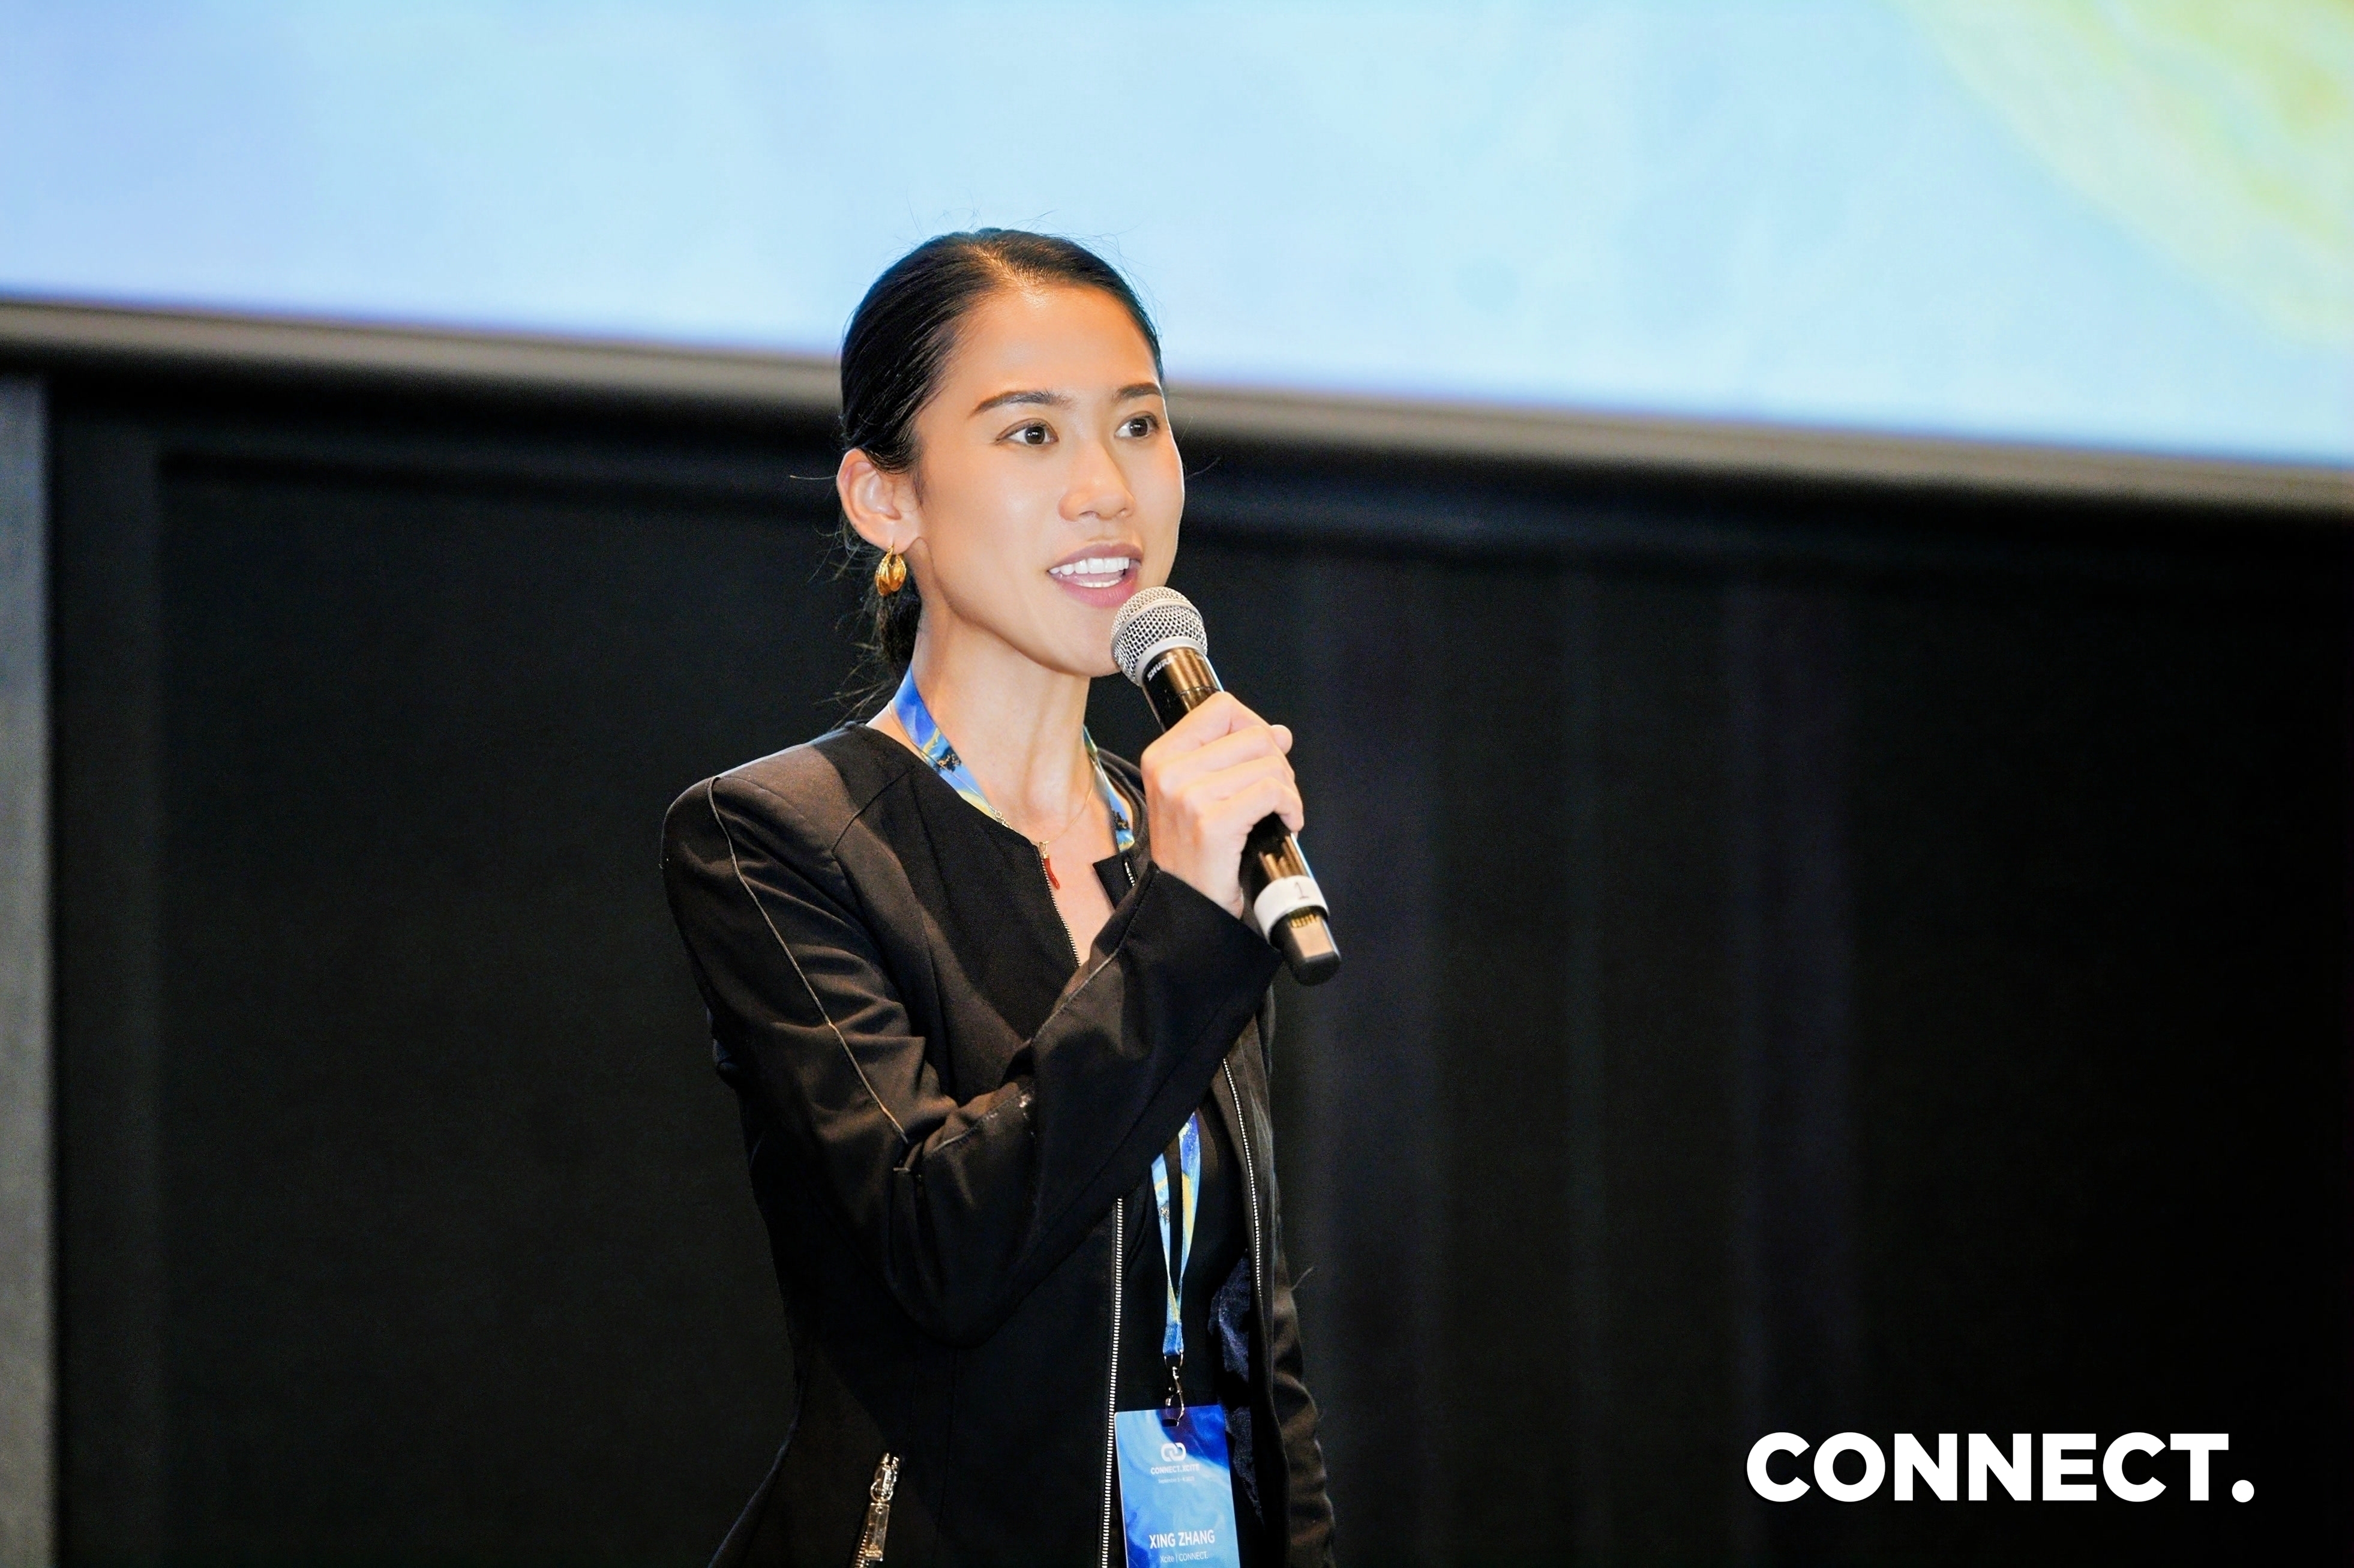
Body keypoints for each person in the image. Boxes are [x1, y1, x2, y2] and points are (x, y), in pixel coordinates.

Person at [661, 229, 1336, 1568]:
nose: (1107, 489)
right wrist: (1182, 927)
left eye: (1138, 424)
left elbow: (1249, 1330)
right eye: (1032, 434)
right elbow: (941, 1244)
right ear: (884, 499)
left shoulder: (1175, 834)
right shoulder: (776, 836)